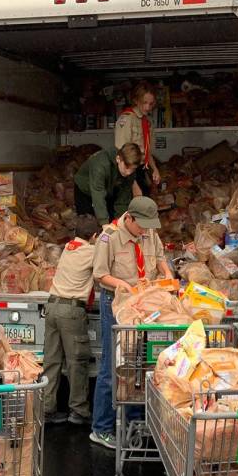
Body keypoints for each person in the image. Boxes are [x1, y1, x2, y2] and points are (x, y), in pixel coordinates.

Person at [89, 197, 171, 448]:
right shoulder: (109, 237)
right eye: (141, 226)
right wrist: (123, 285)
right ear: (130, 218)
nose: (145, 231)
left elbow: (159, 257)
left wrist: (166, 274)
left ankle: (136, 422)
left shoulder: (149, 232)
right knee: (112, 365)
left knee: (140, 363)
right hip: (117, 303)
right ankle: (101, 428)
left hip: (145, 303)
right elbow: (99, 273)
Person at [43, 215, 99, 427]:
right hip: (71, 311)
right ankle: (79, 411)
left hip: (52, 306)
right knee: (77, 363)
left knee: (52, 361)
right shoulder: (92, 251)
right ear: (94, 236)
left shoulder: (69, 247)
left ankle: (47, 410)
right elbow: (103, 271)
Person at [73, 143, 141, 225]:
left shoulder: (130, 173)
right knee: (87, 223)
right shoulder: (100, 164)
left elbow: (123, 199)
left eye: (132, 169)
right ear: (118, 159)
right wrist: (104, 223)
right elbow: (98, 194)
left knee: (113, 222)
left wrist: (120, 222)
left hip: (108, 189)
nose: (128, 172)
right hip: (85, 189)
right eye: (126, 167)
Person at [115, 81, 161, 196]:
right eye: (144, 102)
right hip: (128, 169)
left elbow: (147, 150)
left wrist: (154, 169)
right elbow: (122, 152)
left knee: (144, 199)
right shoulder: (127, 119)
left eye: (151, 104)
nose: (147, 107)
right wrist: (133, 183)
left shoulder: (148, 121)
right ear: (136, 100)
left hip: (141, 168)